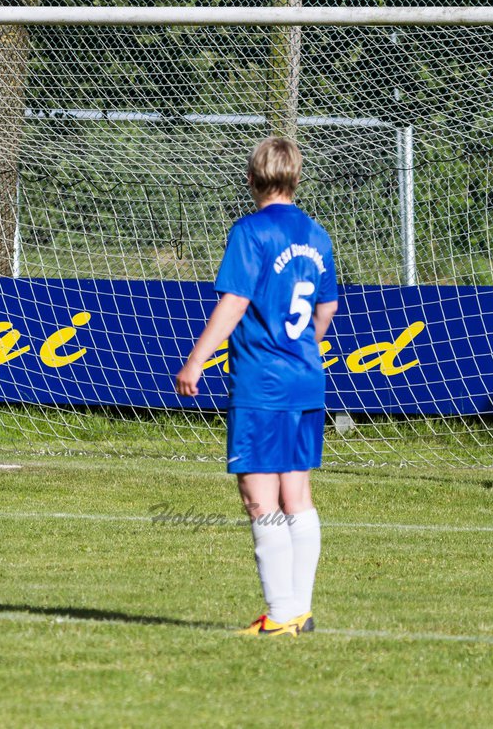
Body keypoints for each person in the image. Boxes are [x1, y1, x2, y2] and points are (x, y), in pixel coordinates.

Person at [175, 136, 338, 637]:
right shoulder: (316, 233)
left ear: (252, 179)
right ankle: (300, 611)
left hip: (262, 383)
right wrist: (302, 350)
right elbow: (326, 309)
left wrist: (195, 360)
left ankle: (281, 612)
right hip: (306, 378)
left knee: (259, 497)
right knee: (298, 494)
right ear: (296, 176)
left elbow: (234, 303)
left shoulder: (250, 231)